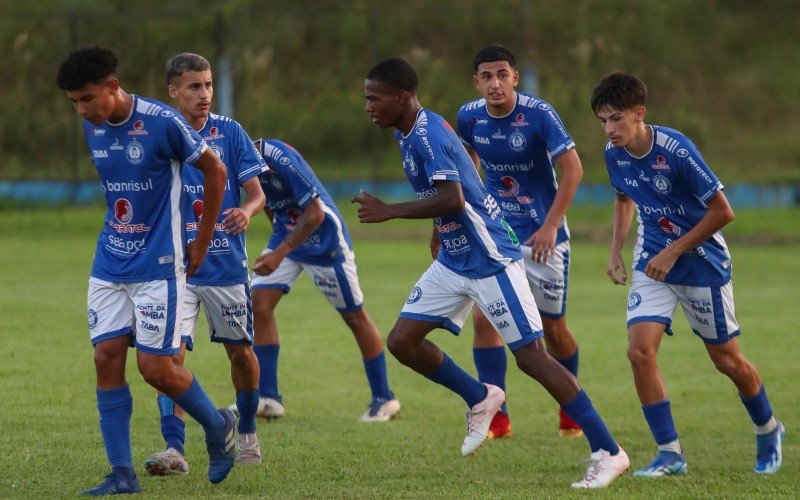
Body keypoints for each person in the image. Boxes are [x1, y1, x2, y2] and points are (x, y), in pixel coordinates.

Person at [355, 57, 628, 489]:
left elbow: (453, 198)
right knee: (402, 341)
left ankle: (609, 451)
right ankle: (480, 397)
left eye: (374, 98)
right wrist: (437, 233)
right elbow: (450, 185)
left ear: (401, 98)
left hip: (490, 258)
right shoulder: (408, 133)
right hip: (455, 259)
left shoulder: (426, 135)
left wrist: (390, 211)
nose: (368, 106)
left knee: (533, 358)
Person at [56, 45, 236, 495]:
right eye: (75, 102)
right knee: (105, 358)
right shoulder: (91, 125)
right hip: (109, 260)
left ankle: (219, 428)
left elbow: (216, 172)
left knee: (156, 369)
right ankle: (121, 474)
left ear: (113, 87)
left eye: (87, 99)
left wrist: (200, 239)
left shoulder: (162, 122)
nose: (82, 110)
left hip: (158, 264)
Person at [590, 71, 785, 476]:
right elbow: (624, 197)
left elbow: (723, 211)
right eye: (603, 121)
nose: (609, 129)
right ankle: (670, 453)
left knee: (727, 361)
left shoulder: (676, 151)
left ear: (639, 113)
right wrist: (615, 251)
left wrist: (675, 251)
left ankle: (768, 429)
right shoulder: (614, 153)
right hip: (652, 261)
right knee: (638, 351)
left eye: (617, 119)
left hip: (701, 263)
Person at [143, 53, 267, 476]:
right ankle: (174, 449)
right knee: (168, 358)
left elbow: (257, 192)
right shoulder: (160, 133)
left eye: (209, 85)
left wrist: (248, 211)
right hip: (174, 268)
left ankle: (246, 430)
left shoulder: (229, 132)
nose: (205, 94)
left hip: (224, 266)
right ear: (173, 91)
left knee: (241, 354)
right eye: (194, 86)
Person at [456, 44, 583, 439]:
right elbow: (468, 160)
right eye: (487, 77)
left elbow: (573, 170)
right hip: (498, 234)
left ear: (514, 77)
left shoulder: (539, 115)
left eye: (503, 75)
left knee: (553, 329)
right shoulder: (469, 116)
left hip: (544, 237)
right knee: (484, 319)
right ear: (477, 81)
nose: (495, 84)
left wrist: (550, 225)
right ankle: (498, 417)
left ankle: (571, 408)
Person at [239, 137, 400, 422]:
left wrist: (280, 253)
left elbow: (314, 213)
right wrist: (280, 239)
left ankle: (385, 398)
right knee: (258, 303)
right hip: (288, 236)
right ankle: (268, 397)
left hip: (325, 241)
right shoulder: (235, 159)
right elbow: (263, 200)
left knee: (354, 317)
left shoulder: (279, 157)